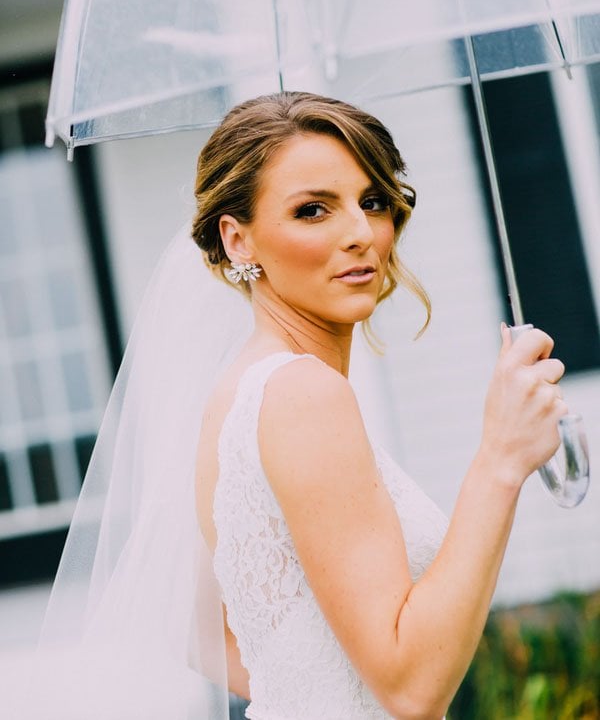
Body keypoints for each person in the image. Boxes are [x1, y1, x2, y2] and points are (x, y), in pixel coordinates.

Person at [17, 91, 565, 720]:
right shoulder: (304, 396)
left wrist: (311, 692)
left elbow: (190, 623)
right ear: (238, 240)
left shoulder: (237, 393)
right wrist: (500, 458)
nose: (360, 234)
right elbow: (413, 689)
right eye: (312, 210)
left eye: (373, 202)